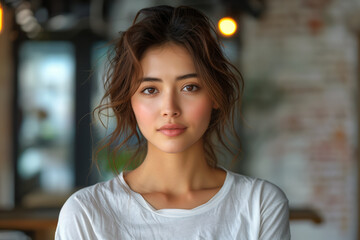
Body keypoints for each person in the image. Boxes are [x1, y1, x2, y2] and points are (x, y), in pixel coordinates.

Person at [55, 5, 290, 240]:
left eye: (189, 87)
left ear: (215, 96)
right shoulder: (86, 212)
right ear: (130, 101)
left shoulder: (260, 204)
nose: (170, 109)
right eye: (150, 90)